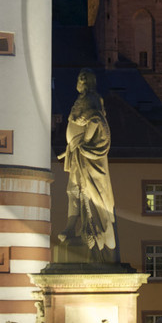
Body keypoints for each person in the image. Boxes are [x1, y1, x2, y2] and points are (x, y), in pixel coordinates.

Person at [59, 69, 116, 257]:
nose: (81, 80)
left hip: (86, 154)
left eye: (84, 78)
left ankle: (91, 229)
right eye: (79, 77)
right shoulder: (80, 99)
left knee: (87, 191)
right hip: (75, 151)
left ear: (90, 81)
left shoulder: (93, 98)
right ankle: (70, 227)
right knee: (73, 190)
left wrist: (84, 142)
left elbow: (96, 119)